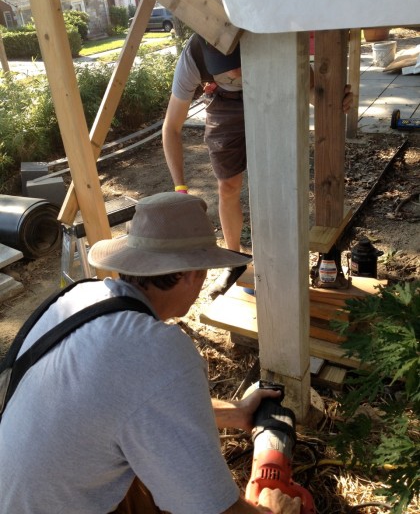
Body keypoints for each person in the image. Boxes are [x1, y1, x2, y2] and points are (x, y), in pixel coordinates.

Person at [0, 192, 301, 514]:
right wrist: (273, 509)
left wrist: (234, 413)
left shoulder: (81, 297)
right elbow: (213, 510)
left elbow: (120, 407)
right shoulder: (159, 350)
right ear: (191, 273)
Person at [162, 34, 353, 296]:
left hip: (270, 96)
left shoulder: (272, 40)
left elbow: (311, 91)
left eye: (239, 61)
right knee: (228, 186)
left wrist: (333, 99)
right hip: (223, 106)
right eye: (225, 66)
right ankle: (233, 262)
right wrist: (180, 188)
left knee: (275, 183)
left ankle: (280, 260)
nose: (235, 72)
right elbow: (171, 127)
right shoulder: (194, 57)